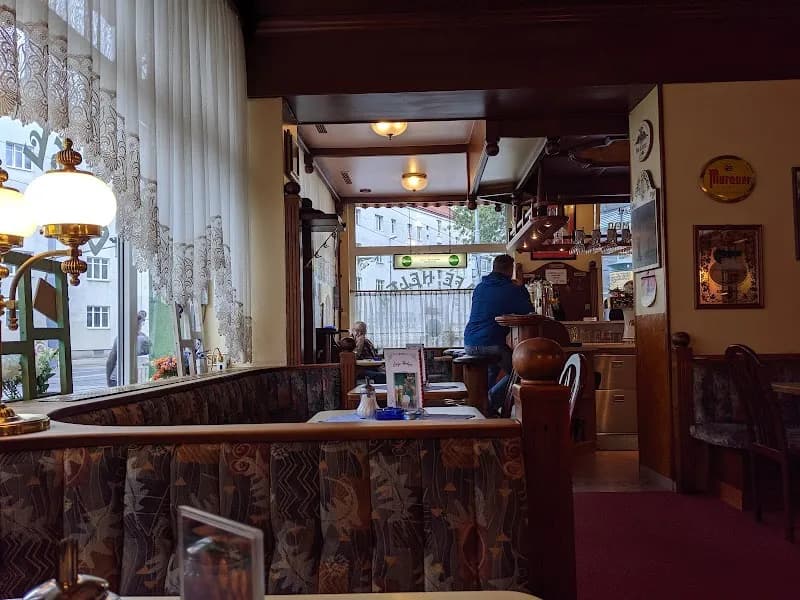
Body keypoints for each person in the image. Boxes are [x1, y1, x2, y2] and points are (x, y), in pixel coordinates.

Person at [464, 254, 533, 415]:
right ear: (511, 269)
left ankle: (482, 406)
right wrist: (521, 287)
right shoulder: (511, 289)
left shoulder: (480, 287)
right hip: (491, 344)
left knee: (493, 368)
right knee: (520, 373)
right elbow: (529, 311)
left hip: (469, 342)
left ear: (494, 268)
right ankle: (490, 402)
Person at [106, 310, 152, 387]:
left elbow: (110, 362)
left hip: (118, 379)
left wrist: (109, 381)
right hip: (138, 379)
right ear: (140, 324)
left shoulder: (119, 338)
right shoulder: (144, 339)